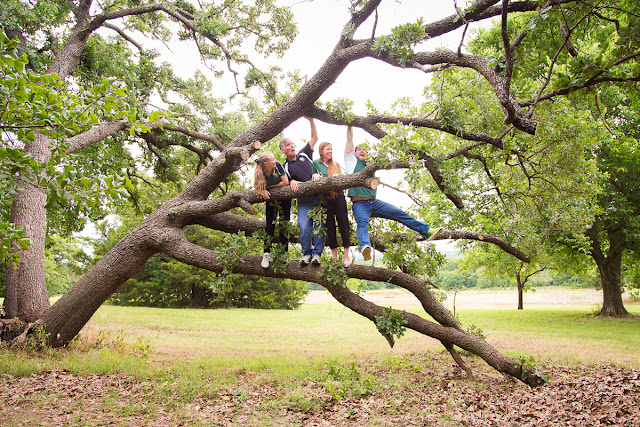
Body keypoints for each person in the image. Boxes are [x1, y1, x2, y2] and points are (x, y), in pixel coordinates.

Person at [344, 125, 443, 261]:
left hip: (374, 203)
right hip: (359, 204)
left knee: (399, 213)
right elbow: (349, 141)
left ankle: (426, 231)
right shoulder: (351, 162)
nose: (362, 151)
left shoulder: (372, 163)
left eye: (365, 149)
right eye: (359, 149)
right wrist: (350, 125)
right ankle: (365, 247)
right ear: (354, 153)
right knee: (362, 223)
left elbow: (386, 153)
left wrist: (387, 135)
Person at [280, 116, 325, 265]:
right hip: (304, 200)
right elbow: (285, 184)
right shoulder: (285, 167)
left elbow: (315, 137)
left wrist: (311, 120)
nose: (291, 145)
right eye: (288, 144)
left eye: (292, 143)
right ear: (283, 150)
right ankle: (306, 253)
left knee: (319, 226)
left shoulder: (304, 153)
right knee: (304, 226)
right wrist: (292, 181)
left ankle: (317, 254)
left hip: (318, 196)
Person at [312, 141, 352, 267]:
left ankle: (346, 257)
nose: (330, 152)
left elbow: (343, 180)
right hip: (325, 199)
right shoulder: (316, 164)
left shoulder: (336, 164)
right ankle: (335, 259)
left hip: (338, 197)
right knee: (330, 227)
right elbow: (313, 177)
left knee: (343, 224)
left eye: (331, 149)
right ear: (321, 151)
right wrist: (315, 176)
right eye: (327, 149)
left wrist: (336, 177)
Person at [254, 151, 291, 269]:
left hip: (285, 198)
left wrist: (270, 187)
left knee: (283, 225)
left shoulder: (278, 166)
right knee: (270, 225)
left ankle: (283, 255)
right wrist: (263, 190)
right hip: (271, 199)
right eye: (272, 159)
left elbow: (285, 182)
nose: (275, 161)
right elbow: (258, 187)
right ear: (266, 163)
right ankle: (266, 254)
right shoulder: (260, 172)